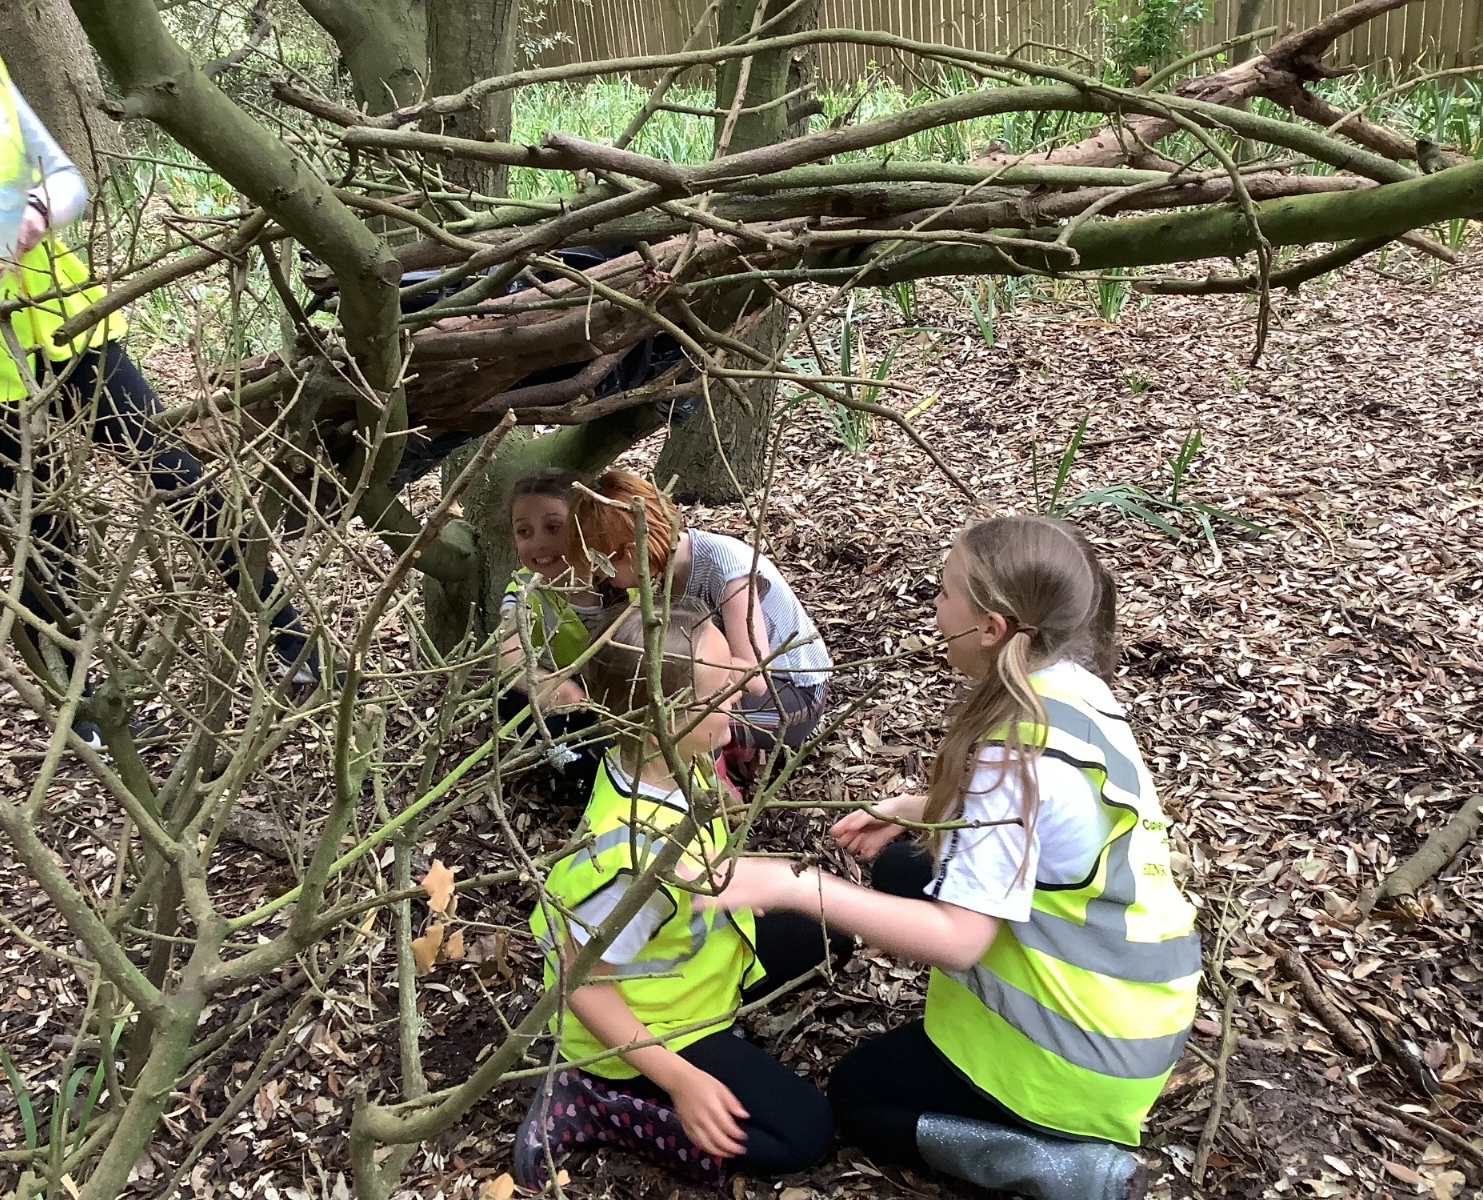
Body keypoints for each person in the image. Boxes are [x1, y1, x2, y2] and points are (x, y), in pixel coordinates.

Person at [699, 517, 1201, 1200]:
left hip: (1083, 1050)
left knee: (860, 1096)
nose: (933, 608)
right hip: (1143, 1003)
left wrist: (797, 887)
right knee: (907, 865)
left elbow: (959, 940)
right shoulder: (1069, 684)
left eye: (943, 593)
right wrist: (915, 808)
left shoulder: (1012, 759)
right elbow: (1043, 820)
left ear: (990, 628)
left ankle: (1069, 1168)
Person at [0, 0, 317, 746]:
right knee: (41, 522)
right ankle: (86, 706)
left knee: (174, 468)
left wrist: (33, 215)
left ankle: (289, 635)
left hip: (60, 310)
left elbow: (64, 179)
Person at [513, 597, 843, 1191]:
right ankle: (597, 1100)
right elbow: (579, 981)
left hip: (700, 964)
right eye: (719, 688)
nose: (739, 688)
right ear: (664, 721)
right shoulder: (632, 861)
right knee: (803, 1133)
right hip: (655, 1022)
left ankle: (717, 1033)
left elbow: (697, 851)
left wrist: (734, 877)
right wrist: (680, 1080)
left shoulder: (671, 759)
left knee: (828, 929)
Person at [569, 469, 831, 761]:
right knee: (652, 712)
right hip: (731, 686)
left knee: (667, 723)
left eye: (603, 566)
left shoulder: (728, 572)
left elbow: (754, 675)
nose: (600, 576)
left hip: (794, 696)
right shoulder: (662, 571)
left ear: (633, 552)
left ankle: (711, 778)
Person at [497, 469, 604, 803]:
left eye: (554, 527)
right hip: (563, 699)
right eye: (524, 531)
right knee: (510, 696)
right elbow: (506, 654)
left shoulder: (617, 576)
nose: (539, 542)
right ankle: (576, 769)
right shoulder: (524, 590)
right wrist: (551, 686)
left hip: (618, 694)